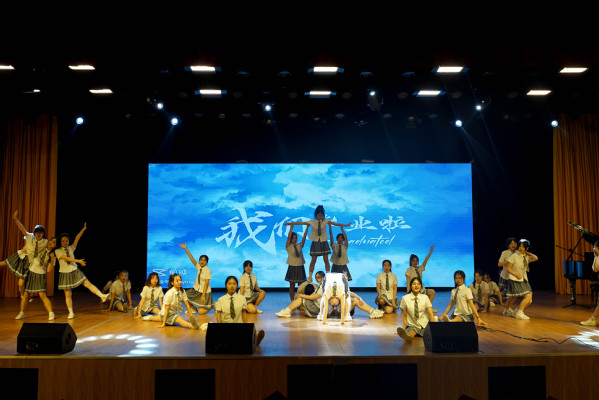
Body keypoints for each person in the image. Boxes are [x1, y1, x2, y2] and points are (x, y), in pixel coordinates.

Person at [54, 224, 109, 318]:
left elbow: (77, 238)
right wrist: (78, 261)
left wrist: (83, 230)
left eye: (66, 240)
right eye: (63, 241)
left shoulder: (71, 248)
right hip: (65, 273)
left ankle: (102, 296)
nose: (65, 242)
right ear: (60, 241)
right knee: (68, 294)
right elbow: (66, 258)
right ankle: (71, 312)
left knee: (88, 284)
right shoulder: (57, 251)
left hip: (74, 270)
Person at [285, 205, 351, 281]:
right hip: (315, 242)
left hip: (323, 242)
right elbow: (301, 222)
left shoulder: (325, 221)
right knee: (313, 260)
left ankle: (328, 275)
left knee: (326, 260)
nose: (320, 216)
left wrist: (345, 225)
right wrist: (291, 224)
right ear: (316, 215)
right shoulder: (312, 222)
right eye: (318, 215)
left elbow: (335, 224)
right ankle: (310, 277)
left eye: (321, 215)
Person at [1, 210, 48, 298]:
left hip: (29, 262)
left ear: (43, 233)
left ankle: (23, 296)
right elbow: (22, 229)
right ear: (34, 233)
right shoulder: (30, 236)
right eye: (37, 232)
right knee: (3, 263)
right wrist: (15, 219)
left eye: (41, 232)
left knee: (21, 283)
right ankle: (24, 296)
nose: (38, 234)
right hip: (21, 256)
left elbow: (51, 247)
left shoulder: (45, 242)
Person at [15, 236, 57, 320]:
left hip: (40, 274)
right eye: (50, 240)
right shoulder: (41, 247)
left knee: (42, 295)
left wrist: (52, 260)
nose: (51, 242)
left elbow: (49, 270)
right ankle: (21, 313)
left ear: (55, 245)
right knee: (26, 294)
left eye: (54, 242)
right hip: (31, 272)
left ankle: (51, 313)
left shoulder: (53, 255)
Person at [215, 276, 265, 346]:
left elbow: (243, 313)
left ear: (237, 285)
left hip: (239, 326)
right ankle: (254, 339)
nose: (232, 286)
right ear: (226, 285)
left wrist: (245, 327)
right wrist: (220, 328)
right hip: (226, 327)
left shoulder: (242, 298)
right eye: (229, 284)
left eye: (234, 284)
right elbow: (218, 315)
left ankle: (255, 338)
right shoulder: (221, 300)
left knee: (244, 335)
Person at [504, 239, 538, 320]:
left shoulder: (525, 257)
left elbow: (535, 258)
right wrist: (515, 275)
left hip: (523, 279)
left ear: (527, 248)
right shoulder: (514, 255)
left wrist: (528, 253)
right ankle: (516, 311)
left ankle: (517, 311)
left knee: (529, 300)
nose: (520, 248)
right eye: (519, 246)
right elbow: (508, 268)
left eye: (523, 246)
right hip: (514, 279)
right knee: (515, 297)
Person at [397, 277, 435, 342]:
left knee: (429, 327)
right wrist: (403, 329)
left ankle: (409, 335)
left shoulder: (425, 297)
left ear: (421, 286)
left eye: (418, 284)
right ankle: (408, 336)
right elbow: (405, 316)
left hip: (423, 324)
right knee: (413, 331)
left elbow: (431, 314)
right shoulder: (405, 298)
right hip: (412, 324)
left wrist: (433, 329)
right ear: (411, 286)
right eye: (414, 284)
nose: (416, 286)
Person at [179, 243, 213, 314]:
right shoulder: (198, 266)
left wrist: (203, 295)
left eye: (204, 260)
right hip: (197, 290)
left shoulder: (208, 271)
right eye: (201, 260)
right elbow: (191, 258)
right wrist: (186, 248)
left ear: (207, 262)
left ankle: (213, 306)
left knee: (201, 312)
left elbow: (206, 284)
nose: (202, 261)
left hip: (204, 292)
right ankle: (193, 309)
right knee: (183, 295)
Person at [284, 223, 307, 300]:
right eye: (293, 238)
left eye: (296, 238)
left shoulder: (299, 245)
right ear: (290, 239)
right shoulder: (288, 246)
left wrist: (307, 227)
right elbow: (288, 238)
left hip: (300, 266)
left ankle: (299, 300)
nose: (295, 239)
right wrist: (291, 227)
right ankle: (292, 300)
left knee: (300, 286)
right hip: (292, 267)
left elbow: (304, 238)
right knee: (292, 285)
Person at [581, 240, 599, 326]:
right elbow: (595, 269)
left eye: (595, 248)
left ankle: (593, 319)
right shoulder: (598, 257)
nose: (593, 250)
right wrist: (595, 257)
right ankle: (593, 319)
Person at [498, 237, 518, 313]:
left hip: (513, 277)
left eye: (514, 243)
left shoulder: (518, 253)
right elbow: (499, 264)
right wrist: (508, 262)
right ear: (508, 245)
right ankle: (505, 307)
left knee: (512, 294)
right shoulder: (505, 253)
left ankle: (507, 308)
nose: (513, 245)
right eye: (511, 243)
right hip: (505, 276)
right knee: (502, 293)